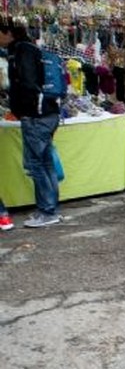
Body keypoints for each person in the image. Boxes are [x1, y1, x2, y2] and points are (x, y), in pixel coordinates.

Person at [0, 18, 62, 228]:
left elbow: (28, 83)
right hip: (47, 112)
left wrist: (23, 109)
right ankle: (50, 208)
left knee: (36, 163)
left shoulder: (22, 52)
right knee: (45, 162)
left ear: (8, 32)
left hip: (36, 115)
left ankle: (47, 210)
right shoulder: (31, 49)